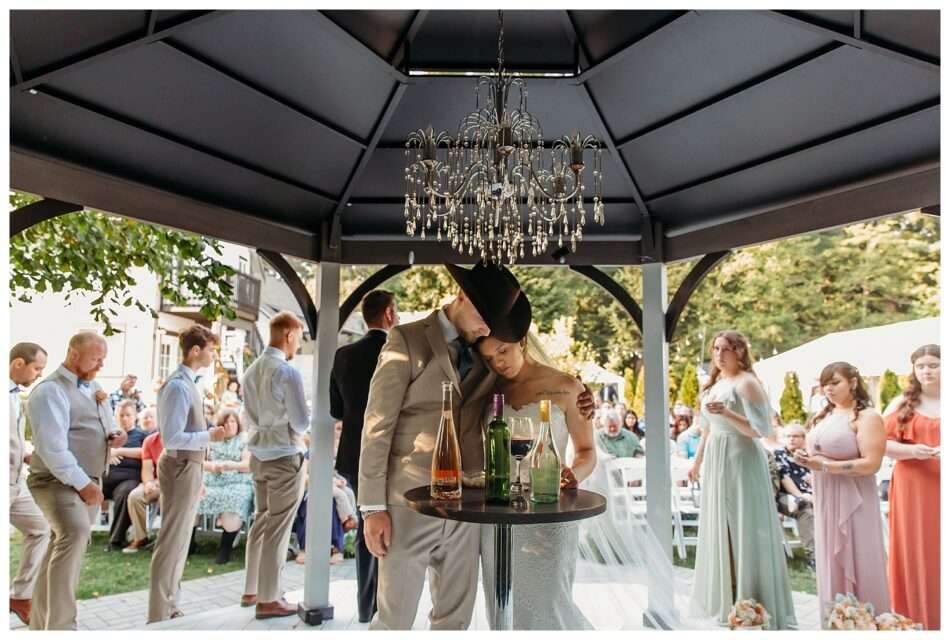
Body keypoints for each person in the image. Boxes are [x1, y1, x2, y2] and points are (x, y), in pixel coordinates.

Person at [358, 262, 593, 630]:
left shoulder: (489, 356)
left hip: (469, 509)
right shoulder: (406, 340)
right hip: (407, 501)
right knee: (394, 620)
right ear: (462, 295)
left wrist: (581, 398)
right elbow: (377, 426)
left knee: (455, 620)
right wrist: (372, 507)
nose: (488, 331)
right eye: (485, 319)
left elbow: (530, 388)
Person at [477, 328, 596, 629]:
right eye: (489, 358)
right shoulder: (488, 390)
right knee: (503, 608)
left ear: (522, 341)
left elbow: (587, 451)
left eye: (503, 350)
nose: (498, 362)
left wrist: (573, 475)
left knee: (550, 604)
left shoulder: (567, 387)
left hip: (550, 511)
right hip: (499, 518)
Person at [687, 330, 796, 629]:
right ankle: (726, 593)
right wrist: (696, 462)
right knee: (719, 525)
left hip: (741, 457)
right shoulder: (716, 383)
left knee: (743, 524)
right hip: (716, 457)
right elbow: (708, 428)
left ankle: (751, 596)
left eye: (726, 349)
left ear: (739, 352)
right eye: (716, 349)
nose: (719, 355)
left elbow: (761, 431)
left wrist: (729, 414)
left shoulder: (748, 383)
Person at [27, 332, 128, 630]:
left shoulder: (94, 387)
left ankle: (41, 625)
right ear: (73, 355)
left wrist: (115, 434)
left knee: (61, 547)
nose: (100, 365)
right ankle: (62, 628)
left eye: (103, 359)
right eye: (96, 358)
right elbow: (52, 448)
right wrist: (84, 483)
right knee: (74, 534)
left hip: (89, 479)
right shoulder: (49, 391)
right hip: (55, 480)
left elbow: (107, 424)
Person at [795, 362, 889, 626]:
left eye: (835, 382)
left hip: (854, 501)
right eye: (825, 384)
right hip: (826, 500)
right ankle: (837, 623)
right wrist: (805, 459)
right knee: (831, 562)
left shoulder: (867, 417)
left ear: (853, 382)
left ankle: (866, 623)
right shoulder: (823, 415)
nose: (829, 389)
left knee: (859, 558)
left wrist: (825, 466)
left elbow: (871, 464)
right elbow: (819, 455)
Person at [148, 325, 226, 623]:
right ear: (196, 350)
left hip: (189, 467)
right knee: (171, 540)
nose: (213, 354)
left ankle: (170, 605)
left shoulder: (190, 384)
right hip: (180, 466)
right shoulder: (178, 386)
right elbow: (172, 438)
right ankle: (159, 613)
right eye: (210, 349)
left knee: (181, 540)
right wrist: (210, 436)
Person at [329, 289, 399, 622]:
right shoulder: (397, 352)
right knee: (397, 528)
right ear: (388, 314)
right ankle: (391, 605)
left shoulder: (344, 355)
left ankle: (365, 606)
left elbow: (335, 409)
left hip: (354, 454)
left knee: (367, 525)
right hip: (393, 455)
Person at [240, 311, 311, 618]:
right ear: (289, 335)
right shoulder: (286, 372)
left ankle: (251, 588)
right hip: (284, 454)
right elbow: (301, 421)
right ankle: (269, 598)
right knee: (278, 527)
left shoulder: (251, 370)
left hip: (258, 455)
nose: (298, 344)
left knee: (261, 521)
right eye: (298, 337)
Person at [882, 344, 940, 630]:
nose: (927, 371)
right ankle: (916, 619)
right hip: (912, 489)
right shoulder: (901, 403)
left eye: (934, 365)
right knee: (917, 551)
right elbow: (880, 443)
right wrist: (913, 451)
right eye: (921, 366)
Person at [9, 342, 50, 626]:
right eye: (37, 368)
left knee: (41, 529)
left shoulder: (15, 396)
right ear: (18, 364)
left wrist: (25, 456)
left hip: (15, 481)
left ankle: (20, 594)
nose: (38, 375)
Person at [197, 408, 254, 564]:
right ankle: (188, 544)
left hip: (237, 481)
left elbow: (248, 465)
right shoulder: (211, 441)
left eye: (232, 421)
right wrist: (214, 467)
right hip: (212, 480)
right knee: (194, 497)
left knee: (234, 498)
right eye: (225, 422)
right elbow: (200, 462)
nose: (229, 425)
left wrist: (231, 465)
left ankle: (225, 548)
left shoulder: (244, 440)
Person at [104, 399, 149, 551]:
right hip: (104, 477)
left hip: (128, 479)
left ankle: (115, 540)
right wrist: (108, 453)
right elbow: (93, 450)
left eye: (128, 415)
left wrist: (119, 451)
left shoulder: (142, 436)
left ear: (135, 416)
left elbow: (146, 452)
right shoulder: (109, 435)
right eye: (121, 415)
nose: (124, 418)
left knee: (125, 493)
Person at [773, 422, 816, 569]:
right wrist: (801, 496)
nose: (791, 439)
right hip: (785, 496)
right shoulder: (780, 454)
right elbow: (785, 478)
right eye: (788, 436)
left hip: (810, 494)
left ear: (804, 438)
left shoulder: (810, 455)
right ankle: (814, 557)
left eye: (795, 436)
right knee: (805, 509)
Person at [123, 428, 163, 553]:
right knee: (135, 496)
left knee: (166, 498)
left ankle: (164, 539)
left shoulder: (180, 440)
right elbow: (147, 469)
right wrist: (148, 483)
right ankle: (141, 537)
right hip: (158, 481)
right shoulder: (150, 441)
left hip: (177, 482)